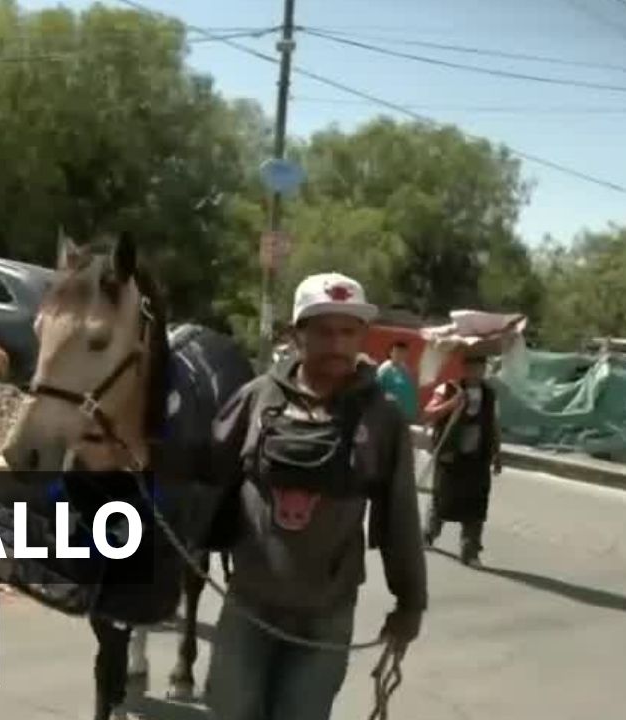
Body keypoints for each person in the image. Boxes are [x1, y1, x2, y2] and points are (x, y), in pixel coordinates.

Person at [201, 272, 427, 720]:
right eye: (323, 331)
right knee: (229, 710)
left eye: (349, 332)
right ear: (296, 335)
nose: (337, 344)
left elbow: (400, 517)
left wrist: (410, 603)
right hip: (250, 602)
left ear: (363, 337)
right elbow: (203, 479)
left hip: (327, 612)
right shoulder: (256, 398)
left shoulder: (381, 420)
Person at [421, 354, 501, 566]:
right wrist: (452, 404)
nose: (477, 371)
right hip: (450, 454)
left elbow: (492, 424)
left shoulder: (489, 394)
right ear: (464, 368)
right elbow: (428, 413)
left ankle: (470, 550)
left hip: (478, 457)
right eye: (473, 367)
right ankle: (428, 534)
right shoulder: (448, 389)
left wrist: (497, 453)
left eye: (481, 367)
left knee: (477, 505)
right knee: (442, 499)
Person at [377, 340, 419, 423]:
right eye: (397, 352)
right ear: (391, 353)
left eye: (403, 352)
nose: (400, 355)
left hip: (405, 417)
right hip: (390, 417)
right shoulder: (385, 369)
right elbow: (377, 390)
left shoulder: (405, 368)